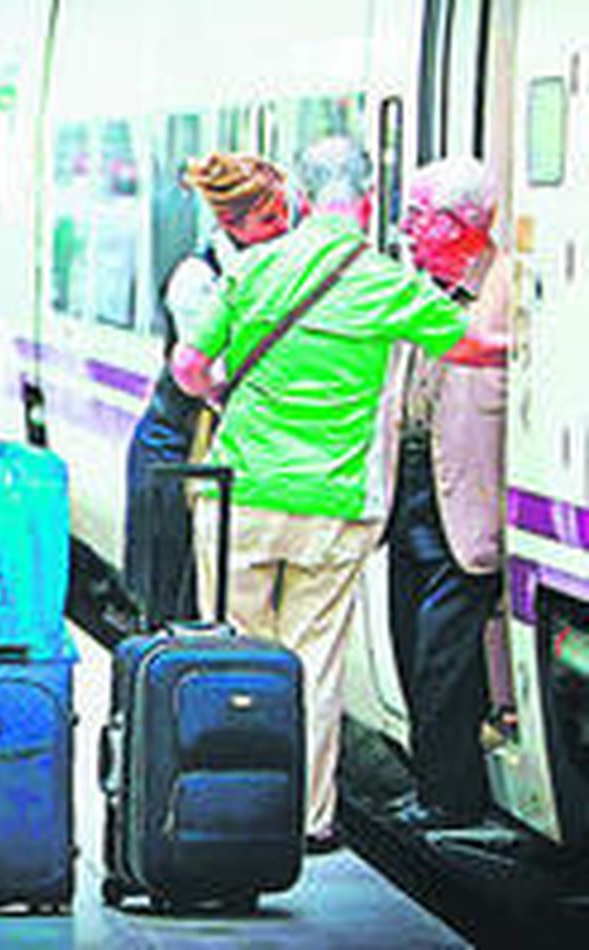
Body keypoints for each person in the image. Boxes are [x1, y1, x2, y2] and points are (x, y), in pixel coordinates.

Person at [170, 137, 509, 854]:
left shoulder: (256, 268)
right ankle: (308, 819)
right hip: (332, 504)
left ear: (300, 192)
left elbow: (189, 367)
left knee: (237, 658)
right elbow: (474, 347)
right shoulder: (385, 280)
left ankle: (237, 810)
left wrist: (227, 387)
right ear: (366, 197)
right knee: (314, 665)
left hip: (245, 500)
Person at [381, 157, 509, 831]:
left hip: (465, 502)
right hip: (409, 492)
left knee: (443, 656)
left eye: (418, 215)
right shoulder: (417, 283)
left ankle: (450, 797)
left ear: (464, 224)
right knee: (408, 637)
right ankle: (430, 784)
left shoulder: (507, 287)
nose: (405, 228)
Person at [123, 154, 294, 626]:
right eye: (269, 218)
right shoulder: (197, 279)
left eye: (284, 211)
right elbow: (213, 376)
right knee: (176, 602)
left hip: (218, 451)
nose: (283, 226)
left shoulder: (281, 264)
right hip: (178, 452)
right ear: (229, 221)